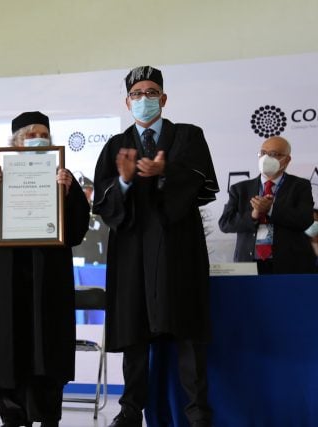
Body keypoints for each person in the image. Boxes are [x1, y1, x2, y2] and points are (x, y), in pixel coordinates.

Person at [93, 66, 219, 427]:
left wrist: (166, 173)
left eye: (151, 93)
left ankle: (197, 412)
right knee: (134, 330)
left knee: (187, 329)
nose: (144, 99)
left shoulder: (188, 137)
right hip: (132, 247)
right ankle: (131, 410)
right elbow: (103, 201)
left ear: (163, 99)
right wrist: (125, 180)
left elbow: (203, 184)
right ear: (126, 101)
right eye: (137, 94)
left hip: (178, 245)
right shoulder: (116, 146)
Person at [0, 112, 90, 427]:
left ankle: (48, 416)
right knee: (10, 347)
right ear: (16, 142)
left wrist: (70, 193)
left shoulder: (62, 175)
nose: (38, 138)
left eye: (43, 133)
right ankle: (13, 416)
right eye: (30, 134)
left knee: (47, 346)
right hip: (8, 278)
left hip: (48, 277)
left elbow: (77, 232)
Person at [218, 136, 316, 274]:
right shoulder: (240, 189)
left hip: (288, 264)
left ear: (287, 160)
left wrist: (271, 209)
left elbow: (305, 220)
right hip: (248, 263)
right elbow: (225, 223)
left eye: (273, 154)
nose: (266, 158)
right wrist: (253, 215)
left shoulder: (300, 186)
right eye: (263, 153)